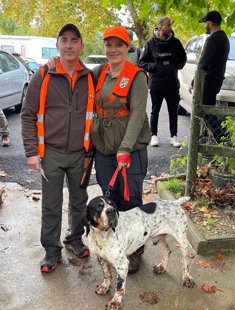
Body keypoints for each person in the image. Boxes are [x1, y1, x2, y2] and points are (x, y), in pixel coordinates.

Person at [21, 23, 94, 273]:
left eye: (75, 40)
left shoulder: (90, 76)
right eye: (64, 40)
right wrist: (32, 152)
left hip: (80, 155)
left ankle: (74, 238)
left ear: (82, 45)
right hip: (50, 154)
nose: (69, 44)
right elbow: (27, 114)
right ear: (57, 45)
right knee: (51, 205)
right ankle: (51, 251)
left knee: (79, 203)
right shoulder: (43, 75)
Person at [91, 26, 151, 273]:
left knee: (131, 203)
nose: (113, 50)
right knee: (110, 200)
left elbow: (137, 115)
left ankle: (135, 252)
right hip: (104, 151)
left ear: (128, 47)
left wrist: (125, 148)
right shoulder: (99, 72)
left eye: (119, 45)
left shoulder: (137, 76)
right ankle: (115, 248)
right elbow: (74, 75)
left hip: (130, 152)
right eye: (108, 45)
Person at [139, 17, 187, 147]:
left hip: (172, 83)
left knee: (173, 111)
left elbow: (183, 58)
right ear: (160, 28)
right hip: (156, 83)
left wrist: (175, 66)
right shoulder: (150, 43)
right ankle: (153, 135)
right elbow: (142, 62)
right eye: (167, 25)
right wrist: (154, 67)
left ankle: (174, 136)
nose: (170, 27)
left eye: (170, 25)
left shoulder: (176, 42)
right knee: (155, 110)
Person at [188, 11, 230, 142]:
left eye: (205, 23)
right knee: (208, 110)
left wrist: (193, 82)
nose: (205, 25)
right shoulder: (224, 38)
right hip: (216, 79)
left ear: (210, 23)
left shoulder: (213, 39)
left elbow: (203, 63)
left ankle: (221, 139)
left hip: (209, 81)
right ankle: (208, 138)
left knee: (204, 111)